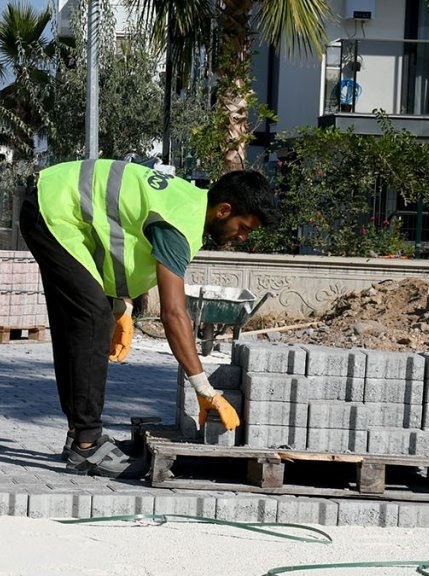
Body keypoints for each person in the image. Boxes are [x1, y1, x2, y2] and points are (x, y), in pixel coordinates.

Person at [20, 159, 279, 477]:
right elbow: (173, 314)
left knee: (82, 321)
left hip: (51, 201)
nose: (243, 238)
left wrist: (121, 306)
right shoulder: (179, 224)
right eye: (244, 228)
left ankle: (79, 434)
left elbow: (121, 239)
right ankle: (87, 446)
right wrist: (204, 389)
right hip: (53, 210)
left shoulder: (187, 203)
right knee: (93, 320)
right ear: (224, 210)